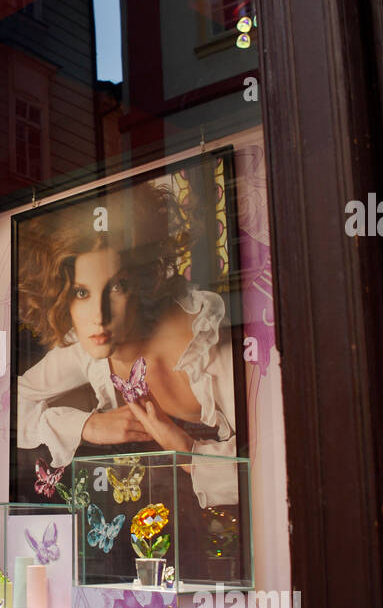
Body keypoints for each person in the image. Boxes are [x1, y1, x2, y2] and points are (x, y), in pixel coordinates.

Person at [17, 184, 238, 508]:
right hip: (147, 510)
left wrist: (182, 445)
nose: (99, 316)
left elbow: (269, 462)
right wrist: (86, 425)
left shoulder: (206, 342)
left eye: (117, 286)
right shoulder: (85, 344)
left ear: (145, 280)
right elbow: (13, 408)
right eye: (81, 292)